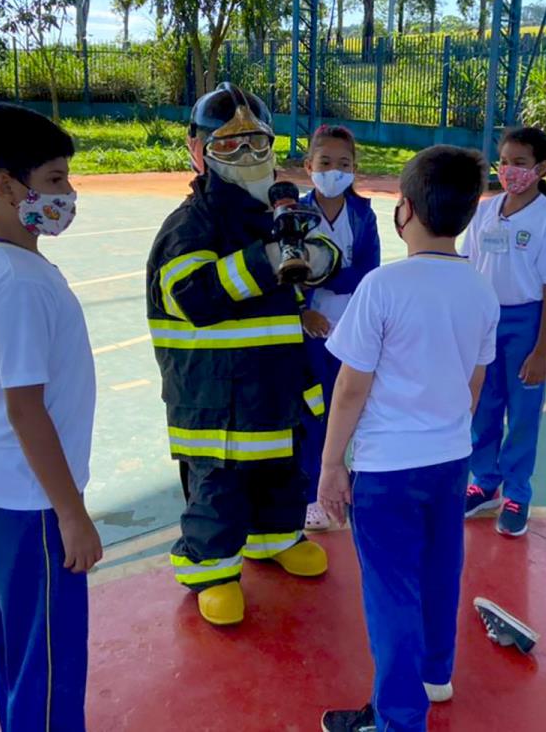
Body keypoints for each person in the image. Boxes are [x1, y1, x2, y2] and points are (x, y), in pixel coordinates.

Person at [318, 145, 499, 732]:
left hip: (388, 469)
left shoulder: (382, 286)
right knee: (441, 569)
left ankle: (398, 719)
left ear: (406, 210)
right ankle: (435, 675)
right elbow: (474, 385)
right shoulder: (479, 289)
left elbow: (349, 389)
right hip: (450, 462)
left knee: (391, 591)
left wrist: (330, 465)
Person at [146, 82, 341, 626]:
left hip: (274, 386)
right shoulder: (191, 224)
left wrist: (312, 255)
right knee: (220, 488)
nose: (249, 158)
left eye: (258, 145)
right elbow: (192, 295)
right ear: (197, 151)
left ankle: (275, 538)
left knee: (281, 475)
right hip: (216, 397)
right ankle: (209, 568)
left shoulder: (275, 213)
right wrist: (269, 259)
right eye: (230, 147)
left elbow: (320, 256)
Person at [0, 104, 102, 732]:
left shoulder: (1, 260)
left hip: (6, 492)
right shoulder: (19, 282)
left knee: (22, 656)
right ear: (5, 187)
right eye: (53, 180)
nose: (67, 194)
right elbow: (25, 409)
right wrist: (71, 513)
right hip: (36, 501)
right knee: (47, 664)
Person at [463, 126, 546, 537]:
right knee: (484, 406)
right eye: (506, 161)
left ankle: (517, 493)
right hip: (484, 322)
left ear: (541, 169)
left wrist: (542, 351)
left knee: (523, 413)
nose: (510, 170)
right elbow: (464, 264)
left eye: (521, 163)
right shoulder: (484, 211)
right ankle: (485, 482)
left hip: (525, 324)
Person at [299, 124, 381, 531]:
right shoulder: (292, 214)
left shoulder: (363, 214)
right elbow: (285, 274)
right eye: (325, 162)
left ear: (354, 169)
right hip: (311, 335)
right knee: (314, 416)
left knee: (352, 412)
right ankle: (313, 493)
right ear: (308, 165)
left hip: (352, 333)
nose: (334, 170)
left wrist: (322, 273)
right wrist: (303, 311)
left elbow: (369, 272)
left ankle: (350, 487)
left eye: (344, 164)